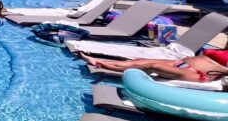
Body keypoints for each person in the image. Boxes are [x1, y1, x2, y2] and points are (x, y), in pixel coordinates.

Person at [81, 51, 228, 83]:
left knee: (153, 66)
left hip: (198, 74)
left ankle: (105, 66)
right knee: (140, 60)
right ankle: (97, 59)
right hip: (183, 62)